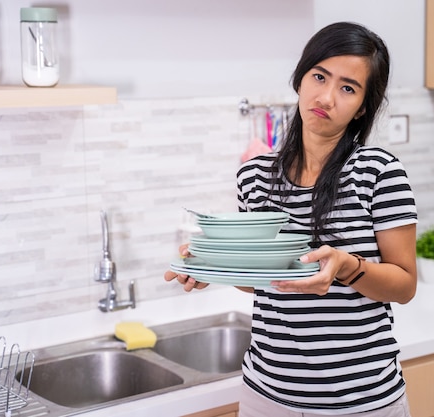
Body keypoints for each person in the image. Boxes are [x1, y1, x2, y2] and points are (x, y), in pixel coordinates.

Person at [164, 21, 417, 417]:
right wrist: (214, 267)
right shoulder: (254, 175)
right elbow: (267, 281)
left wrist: (346, 267)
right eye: (319, 77)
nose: (327, 97)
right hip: (266, 395)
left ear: (363, 106)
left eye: (348, 88)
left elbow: (404, 285)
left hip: (361, 402)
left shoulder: (379, 172)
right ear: (301, 78)